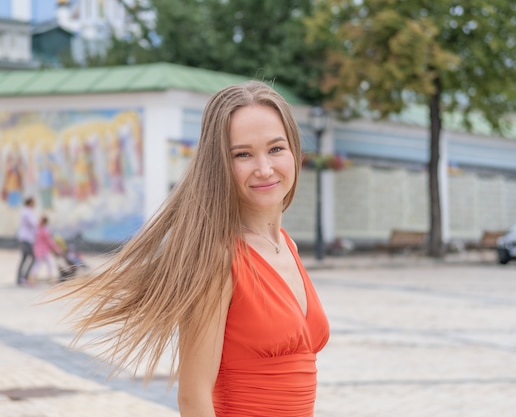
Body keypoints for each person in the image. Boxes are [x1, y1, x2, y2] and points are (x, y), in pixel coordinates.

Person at [56, 81, 330, 417]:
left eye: (276, 149)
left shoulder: (287, 246)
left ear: (294, 151)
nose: (264, 168)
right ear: (220, 165)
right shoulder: (219, 260)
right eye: (243, 154)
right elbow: (193, 398)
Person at [29, 215, 62, 284]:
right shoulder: (44, 230)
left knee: (39, 265)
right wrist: (57, 249)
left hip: (39, 250)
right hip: (43, 251)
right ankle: (51, 279)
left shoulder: (38, 229)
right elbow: (50, 242)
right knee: (48, 264)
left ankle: (32, 279)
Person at [16, 197, 37, 286]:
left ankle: (20, 278)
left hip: (24, 238)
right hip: (27, 239)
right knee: (33, 257)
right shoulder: (27, 212)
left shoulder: (25, 211)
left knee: (24, 259)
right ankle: (24, 277)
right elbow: (33, 224)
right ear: (30, 203)